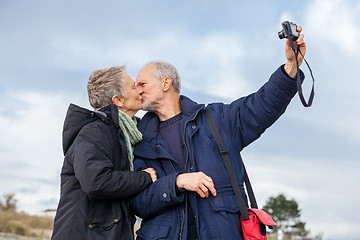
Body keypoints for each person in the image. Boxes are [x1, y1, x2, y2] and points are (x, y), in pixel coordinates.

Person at [130, 26, 306, 240]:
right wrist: (177, 182)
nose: (137, 90)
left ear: (166, 83)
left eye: (142, 84)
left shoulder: (217, 119)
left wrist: (291, 66)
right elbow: (139, 203)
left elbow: (262, 104)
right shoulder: (139, 139)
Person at [51, 65, 157, 240]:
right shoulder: (94, 131)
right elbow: (96, 182)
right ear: (118, 100)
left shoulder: (126, 134)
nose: (140, 90)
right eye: (133, 87)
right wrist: (144, 178)